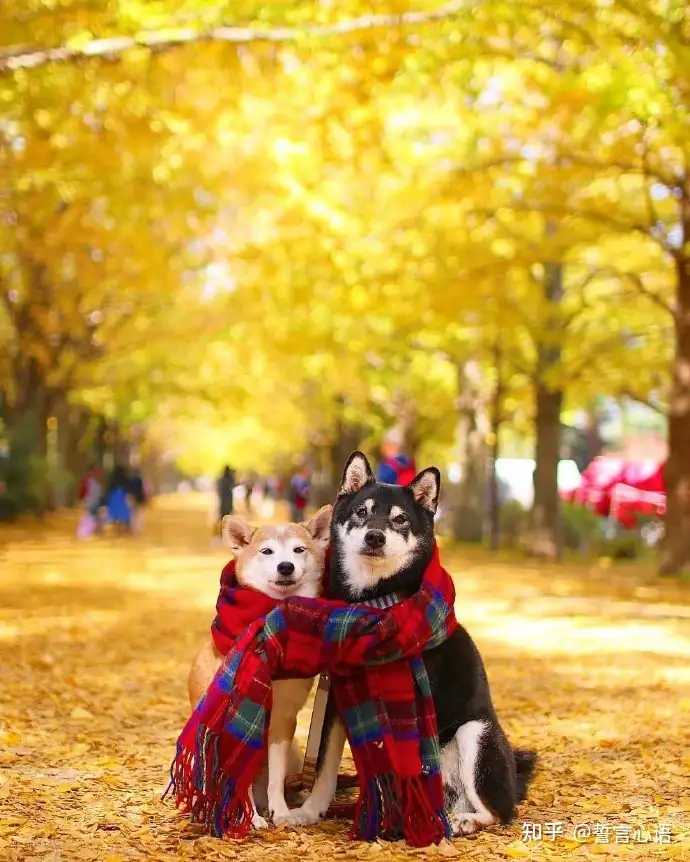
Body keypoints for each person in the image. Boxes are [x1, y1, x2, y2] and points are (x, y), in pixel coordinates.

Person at [104, 464, 132, 533]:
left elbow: (108, 490)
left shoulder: (111, 479)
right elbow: (128, 490)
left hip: (114, 497)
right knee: (124, 516)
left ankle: (117, 530)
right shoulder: (126, 479)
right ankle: (125, 531)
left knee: (116, 516)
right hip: (122, 497)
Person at [128, 465, 147, 534]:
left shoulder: (130, 479)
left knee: (133, 514)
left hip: (132, 497)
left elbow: (129, 490)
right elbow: (142, 490)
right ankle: (138, 529)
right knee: (138, 514)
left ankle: (133, 528)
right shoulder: (140, 479)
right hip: (139, 498)